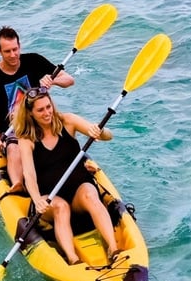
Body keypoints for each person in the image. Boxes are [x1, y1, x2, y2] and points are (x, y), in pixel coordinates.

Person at [13, 86, 118, 265]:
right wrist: (37, 199)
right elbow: (29, 174)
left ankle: (114, 249)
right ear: (30, 113)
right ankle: (73, 259)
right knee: (61, 207)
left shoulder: (68, 121)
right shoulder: (26, 139)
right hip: (50, 196)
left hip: (77, 190)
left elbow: (108, 136)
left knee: (90, 194)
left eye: (48, 107)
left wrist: (100, 132)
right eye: (40, 110)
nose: (47, 113)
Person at [0, 26, 74, 191]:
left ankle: (76, 165)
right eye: (7, 51)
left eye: (15, 49)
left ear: (19, 46)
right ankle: (17, 185)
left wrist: (53, 81)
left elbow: (69, 80)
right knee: (14, 147)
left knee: (64, 129)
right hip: (12, 128)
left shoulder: (34, 60)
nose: (13, 55)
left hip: (40, 120)